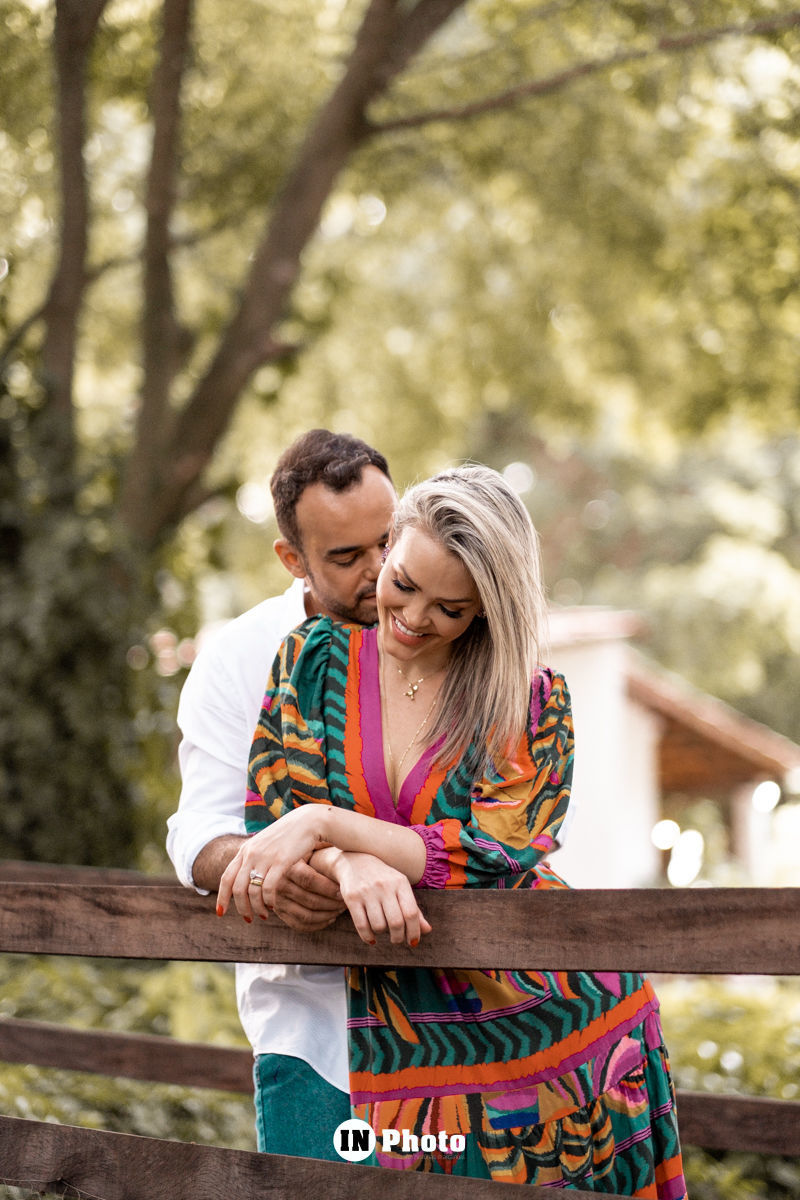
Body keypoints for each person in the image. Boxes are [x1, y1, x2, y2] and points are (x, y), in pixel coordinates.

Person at [217, 465, 688, 1195]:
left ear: (487, 612)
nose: (411, 618)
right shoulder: (311, 661)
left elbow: (493, 855)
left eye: (451, 608)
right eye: (401, 583)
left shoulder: (529, 703)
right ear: (389, 547)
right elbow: (276, 812)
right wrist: (344, 858)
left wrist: (326, 822)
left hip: (553, 1032)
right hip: (404, 1037)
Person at [166, 428, 397, 1159]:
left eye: (389, 541)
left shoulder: (445, 634)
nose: (381, 571)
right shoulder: (237, 658)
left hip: (462, 1024)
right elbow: (197, 834)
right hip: (311, 1033)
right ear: (292, 560)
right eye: (348, 557)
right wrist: (273, 866)